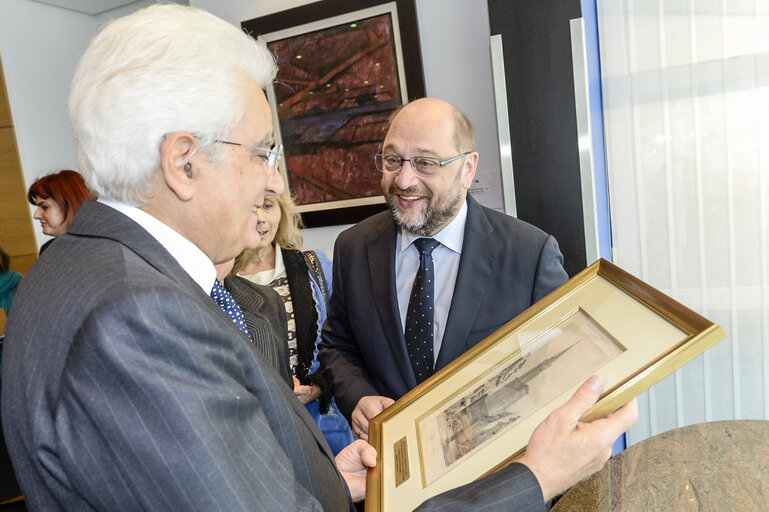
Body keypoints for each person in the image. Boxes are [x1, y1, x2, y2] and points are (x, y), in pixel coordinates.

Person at [2, 6, 636, 511]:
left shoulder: (71, 269)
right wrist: (535, 476)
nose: (275, 184)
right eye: (262, 151)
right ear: (184, 161)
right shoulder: (137, 317)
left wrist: (326, 483)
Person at [319, 98, 570, 440]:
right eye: (393, 160)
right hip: (396, 471)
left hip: (496, 473)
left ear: (467, 168)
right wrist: (358, 396)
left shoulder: (530, 254)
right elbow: (338, 345)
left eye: (425, 163)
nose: (404, 180)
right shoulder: (353, 246)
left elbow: (558, 367)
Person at [233, 193, 354, 455]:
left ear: (282, 212)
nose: (261, 218)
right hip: (259, 435)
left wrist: (319, 385)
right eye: (250, 207)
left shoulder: (314, 266)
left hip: (325, 426)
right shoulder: (221, 279)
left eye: (268, 206)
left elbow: (349, 341)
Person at [27, 169, 95, 255]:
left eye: (44, 207)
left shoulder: (104, 248)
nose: (36, 215)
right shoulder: (49, 249)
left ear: (70, 205)